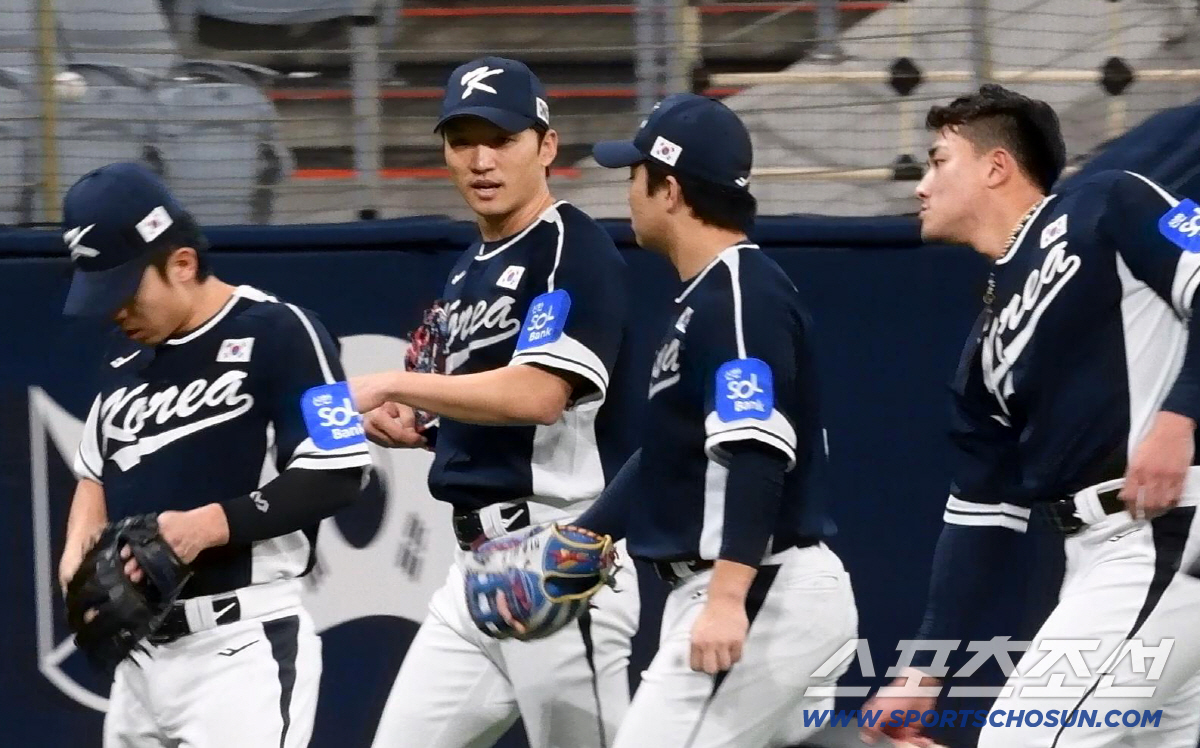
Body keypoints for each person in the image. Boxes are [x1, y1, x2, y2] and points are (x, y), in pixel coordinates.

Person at [863, 84, 1200, 747]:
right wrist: (926, 668)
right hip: (1096, 556)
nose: (922, 186)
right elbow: (981, 510)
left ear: (996, 166)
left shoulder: (1109, 201)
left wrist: (1179, 417)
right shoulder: (983, 346)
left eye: (939, 161)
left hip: (1165, 528)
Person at [529, 92, 858, 747]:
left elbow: (758, 450)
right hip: (756, 588)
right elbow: (668, 454)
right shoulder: (710, 295)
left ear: (671, 190)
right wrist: (587, 535)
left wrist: (729, 598)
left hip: (758, 589)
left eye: (635, 175)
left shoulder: (737, 296)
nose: (628, 191)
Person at [351, 56, 638, 748]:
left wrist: (394, 384)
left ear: (546, 145)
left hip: (560, 551)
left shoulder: (569, 245)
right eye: (463, 141)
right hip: (474, 570)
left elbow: (539, 396)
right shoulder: (469, 266)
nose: (481, 160)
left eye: (502, 139)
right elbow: (487, 411)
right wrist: (422, 429)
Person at [57, 162, 371, 747]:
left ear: (182, 263)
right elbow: (94, 474)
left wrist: (205, 527)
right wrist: (77, 559)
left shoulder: (282, 331)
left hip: (241, 650)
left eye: (125, 291)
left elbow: (338, 471)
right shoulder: (124, 359)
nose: (115, 311)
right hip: (141, 657)